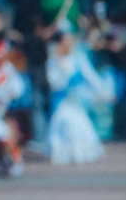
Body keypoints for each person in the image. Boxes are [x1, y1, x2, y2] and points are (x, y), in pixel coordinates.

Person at [44, 29, 108, 165]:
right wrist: (60, 64)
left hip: (76, 102)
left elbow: (91, 77)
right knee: (63, 123)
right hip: (61, 103)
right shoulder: (53, 61)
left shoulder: (78, 59)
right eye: (66, 41)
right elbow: (55, 83)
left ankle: (78, 153)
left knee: (78, 125)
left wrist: (103, 92)